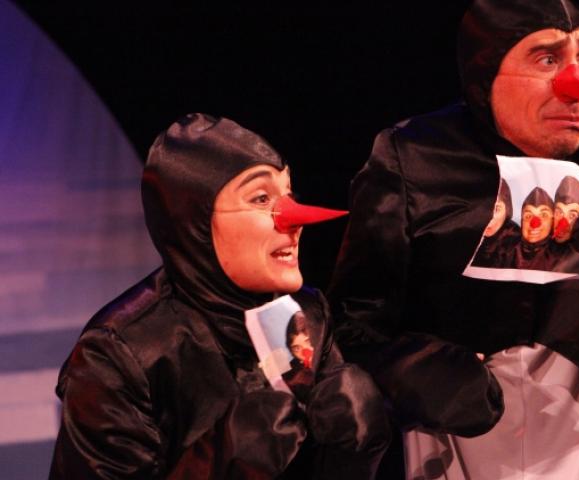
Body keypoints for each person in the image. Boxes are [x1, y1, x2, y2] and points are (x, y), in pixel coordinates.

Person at [328, 0, 579, 478]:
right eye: (548, 59)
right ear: (486, 71)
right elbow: (353, 329)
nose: (578, 85)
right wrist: (415, 371)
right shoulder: (414, 156)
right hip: (454, 447)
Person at [49, 113, 389, 479]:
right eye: (261, 198)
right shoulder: (118, 354)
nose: (295, 220)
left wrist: (351, 459)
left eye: (288, 193)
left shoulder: (305, 313)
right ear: (195, 224)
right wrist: (218, 460)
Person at [470, 178, 519, 268]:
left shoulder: (516, 243)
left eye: (496, 209)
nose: (488, 218)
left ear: (507, 209)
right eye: (481, 208)